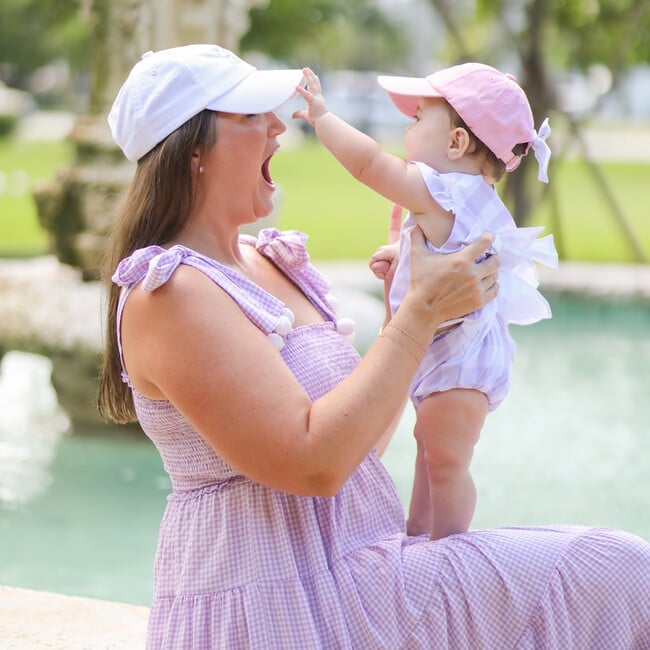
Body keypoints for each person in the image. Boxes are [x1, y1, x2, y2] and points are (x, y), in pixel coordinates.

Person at [98, 44, 650, 649]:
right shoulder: (171, 290)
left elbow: (360, 444)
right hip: (277, 598)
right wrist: (419, 315)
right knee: (614, 567)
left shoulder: (269, 262)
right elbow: (314, 463)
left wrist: (408, 309)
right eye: (253, 115)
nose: (279, 125)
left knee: (618, 572)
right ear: (193, 148)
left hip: (367, 567)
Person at [294, 64, 558, 540]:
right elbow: (453, 246)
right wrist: (404, 255)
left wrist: (323, 119)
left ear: (456, 144)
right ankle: (421, 533)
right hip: (461, 359)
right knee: (433, 450)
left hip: (458, 364)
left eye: (417, 119)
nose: (406, 128)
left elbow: (370, 165)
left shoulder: (444, 188)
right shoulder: (469, 196)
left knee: (446, 460)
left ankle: (451, 546)